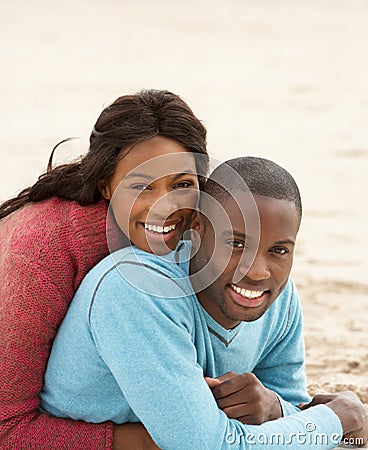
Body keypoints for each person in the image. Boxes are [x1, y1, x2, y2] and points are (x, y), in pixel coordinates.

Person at [40, 157, 368, 449]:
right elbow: (209, 444)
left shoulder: (279, 298)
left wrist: (273, 405)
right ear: (196, 228)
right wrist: (338, 420)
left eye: (279, 250)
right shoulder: (139, 288)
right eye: (235, 244)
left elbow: (295, 415)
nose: (256, 272)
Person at [0, 89, 208, 450]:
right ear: (105, 185)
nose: (165, 207)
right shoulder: (42, 253)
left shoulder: (201, 230)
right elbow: (7, 428)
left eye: (182, 184)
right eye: (142, 185)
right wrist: (147, 441)